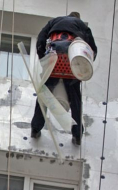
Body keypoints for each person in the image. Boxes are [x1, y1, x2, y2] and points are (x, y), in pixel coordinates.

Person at [31, 11, 97, 145]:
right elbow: (92, 49)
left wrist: (44, 60)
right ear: (77, 19)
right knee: (75, 100)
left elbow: (41, 39)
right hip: (71, 63)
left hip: (54, 60)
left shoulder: (54, 21)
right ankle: (77, 134)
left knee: (43, 95)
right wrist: (83, 66)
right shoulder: (81, 25)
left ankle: (35, 128)